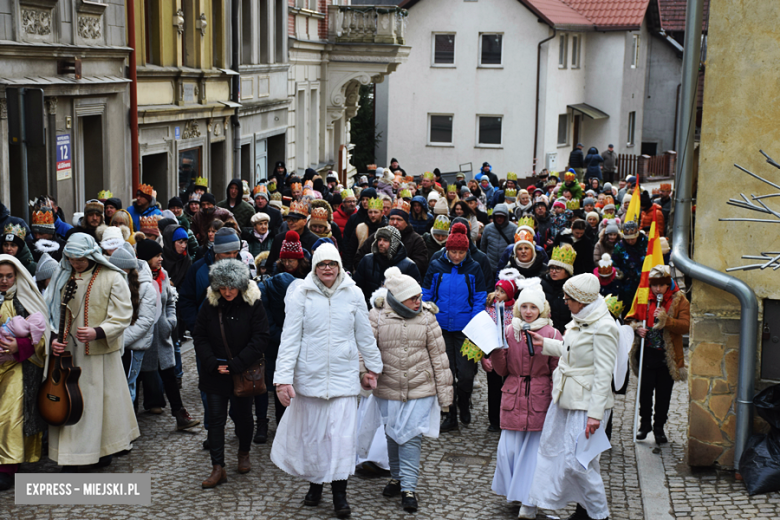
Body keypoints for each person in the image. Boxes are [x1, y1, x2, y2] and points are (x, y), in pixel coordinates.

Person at [271, 243, 383, 518]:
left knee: (341, 439)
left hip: (344, 379)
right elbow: (290, 338)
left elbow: (364, 335)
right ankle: (315, 484)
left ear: (340, 266)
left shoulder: (354, 294)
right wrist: (282, 379)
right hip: (310, 377)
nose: (327, 269)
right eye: (322, 264)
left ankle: (340, 494)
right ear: (314, 267)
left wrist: (373, 368)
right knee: (314, 438)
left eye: (332, 264)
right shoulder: (301, 295)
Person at [526, 273, 619, 520]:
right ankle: (585, 511)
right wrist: (544, 343)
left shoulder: (604, 327)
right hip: (567, 398)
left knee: (579, 463)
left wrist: (595, 415)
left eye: (568, 298)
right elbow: (572, 352)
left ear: (582, 299)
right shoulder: (582, 319)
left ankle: (599, 515)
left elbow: (603, 374)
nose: (565, 301)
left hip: (587, 404)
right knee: (566, 455)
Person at [45, 233, 139, 470]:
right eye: (72, 259)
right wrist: (53, 339)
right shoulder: (61, 277)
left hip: (98, 355)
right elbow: (49, 312)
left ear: (92, 255)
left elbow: (123, 314)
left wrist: (99, 331)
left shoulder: (113, 278)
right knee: (68, 401)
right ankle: (71, 454)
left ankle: (99, 451)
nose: (76, 264)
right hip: (67, 354)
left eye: (81, 260)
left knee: (98, 404)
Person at [368, 267, 453, 513]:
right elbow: (366, 350)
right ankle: (396, 477)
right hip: (388, 387)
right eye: (413, 298)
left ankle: (409, 487)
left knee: (411, 436)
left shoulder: (427, 317)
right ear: (397, 297)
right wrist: (365, 375)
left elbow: (439, 356)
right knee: (392, 434)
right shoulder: (378, 316)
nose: (419, 302)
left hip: (420, 388)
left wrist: (445, 396)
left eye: (419, 297)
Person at [194, 259, 268, 488]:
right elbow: (200, 336)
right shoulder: (209, 305)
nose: (227, 292)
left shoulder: (253, 304)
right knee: (216, 421)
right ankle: (218, 467)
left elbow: (260, 338)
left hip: (242, 373)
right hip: (215, 373)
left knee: (244, 417)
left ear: (241, 286)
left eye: (232, 287)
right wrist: (211, 363)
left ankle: (243, 452)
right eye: (223, 287)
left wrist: (237, 364)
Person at [490, 280, 562, 519]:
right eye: (524, 307)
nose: (528, 312)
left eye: (533, 307)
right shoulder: (510, 331)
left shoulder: (552, 333)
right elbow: (501, 371)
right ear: (519, 307)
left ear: (541, 308)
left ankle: (529, 503)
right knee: (508, 452)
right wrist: (496, 350)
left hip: (539, 398)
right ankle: (517, 492)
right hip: (513, 395)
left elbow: (556, 370)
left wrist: (555, 400)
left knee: (532, 455)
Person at [423, 223, 487, 431]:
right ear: (447, 249)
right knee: (446, 373)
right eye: (453, 252)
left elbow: (479, 298)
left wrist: (475, 323)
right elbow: (427, 293)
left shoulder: (474, 268)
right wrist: (428, 313)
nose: (457, 256)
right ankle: (450, 414)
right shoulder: (436, 266)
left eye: (461, 252)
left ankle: (463, 401)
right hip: (441, 328)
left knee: (467, 373)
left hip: (466, 330)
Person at [135, 239, 200, 430]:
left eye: (161, 255)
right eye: (157, 256)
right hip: (141, 338)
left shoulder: (162, 274)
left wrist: (170, 321)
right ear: (146, 258)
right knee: (136, 378)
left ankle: (180, 416)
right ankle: (129, 423)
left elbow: (170, 301)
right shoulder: (134, 277)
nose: (161, 259)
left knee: (169, 376)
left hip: (162, 336)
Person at [0, 255, 49, 491]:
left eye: (9, 276)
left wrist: (19, 347)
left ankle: (7, 468)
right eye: (0, 276)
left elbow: (42, 339)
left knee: (9, 415)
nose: (4, 281)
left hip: (17, 367)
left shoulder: (25, 301)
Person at [628, 265, 689, 444]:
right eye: (654, 285)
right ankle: (644, 424)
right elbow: (630, 317)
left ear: (667, 284)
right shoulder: (643, 297)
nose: (657, 289)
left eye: (661, 285)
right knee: (645, 391)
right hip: (647, 354)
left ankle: (659, 427)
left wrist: (667, 321)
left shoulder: (680, 300)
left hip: (667, 356)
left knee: (664, 394)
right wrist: (636, 328)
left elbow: (686, 325)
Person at [110, 245, 156, 406]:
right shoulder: (111, 284)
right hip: (113, 344)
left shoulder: (146, 288)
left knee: (128, 387)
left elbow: (145, 321)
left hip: (132, 346)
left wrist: (120, 341)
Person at [480, 269, 521, 432]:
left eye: (502, 291)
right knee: (494, 386)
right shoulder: (489, 308)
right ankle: (494, 420)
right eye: (497, 289)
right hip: (493, 350)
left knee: (510, 387)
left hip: (511, 353)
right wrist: (485, 355)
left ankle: (509, 417)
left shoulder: (516, 310)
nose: (497, 293)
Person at [353, 226, 421, 306]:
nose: (381, 243)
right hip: (368, 309)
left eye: (385, 240)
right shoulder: (367, 260)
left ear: (394, 243)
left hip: (395, 312)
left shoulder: (409, 266)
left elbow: (415, 295)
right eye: (379, 239)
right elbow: (356, 288)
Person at [612, 220, 648, 311]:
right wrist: (618, 273)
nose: (630, 241)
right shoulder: (619, 246)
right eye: (628, 239)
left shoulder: (646, 243)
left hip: (644, 283)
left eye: (632, 239)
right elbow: (615, 263)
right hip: (626, 286)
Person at [541, 245, 576, 335]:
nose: (554, 271)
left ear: (567, 271)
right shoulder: (541, 284)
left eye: (558, 268)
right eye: (552, 267)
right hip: (546, 333)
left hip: (568, 334)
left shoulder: (575, 287)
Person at [481, 204, 517, 272]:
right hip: (490, 265)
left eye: (501, 216)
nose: (499, 218)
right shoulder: (488, 228)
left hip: (506, 266)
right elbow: (483, 246)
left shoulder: (513, 228)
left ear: (506, 217)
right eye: (497, 216)